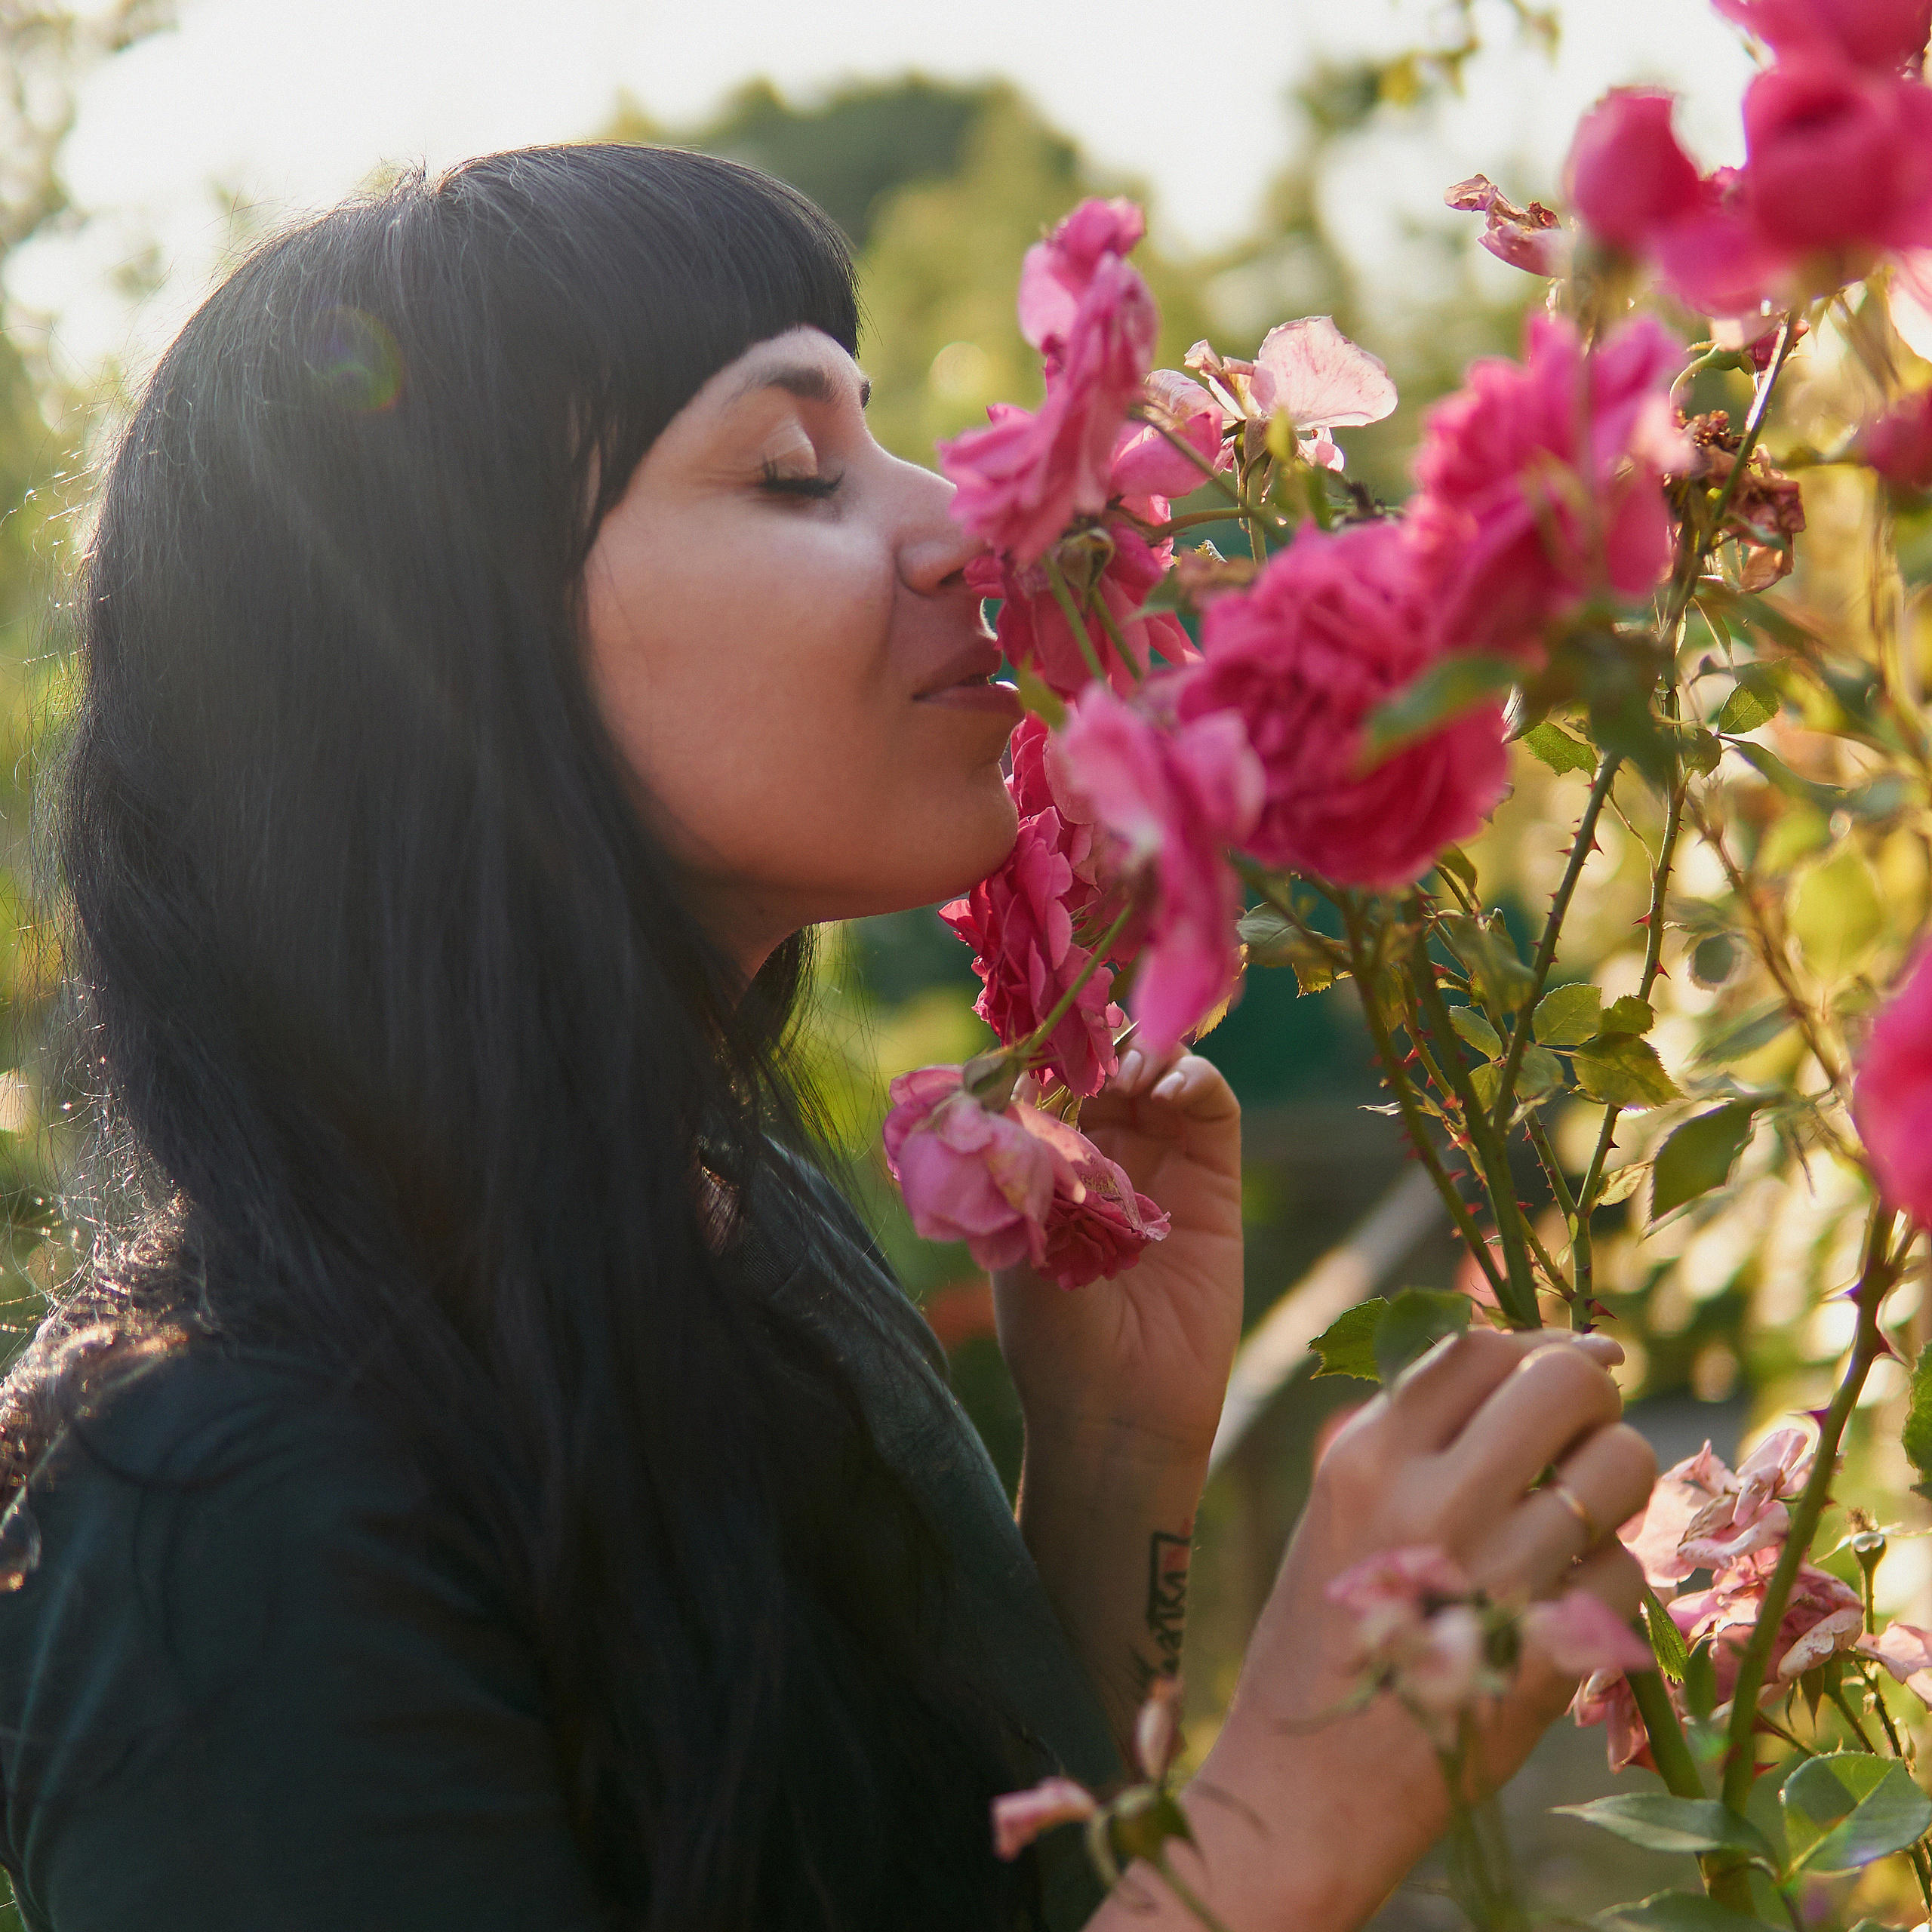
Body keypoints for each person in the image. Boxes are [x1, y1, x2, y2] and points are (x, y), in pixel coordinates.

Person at [0, 143, 1656, 1930]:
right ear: (435, 653)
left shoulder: (717, 1213)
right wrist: (1277, 1841)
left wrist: (1106, 1470)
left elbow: (966, 1882)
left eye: (875, 437)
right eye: (791, 472)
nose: (961, 518)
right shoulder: (207, 1518)